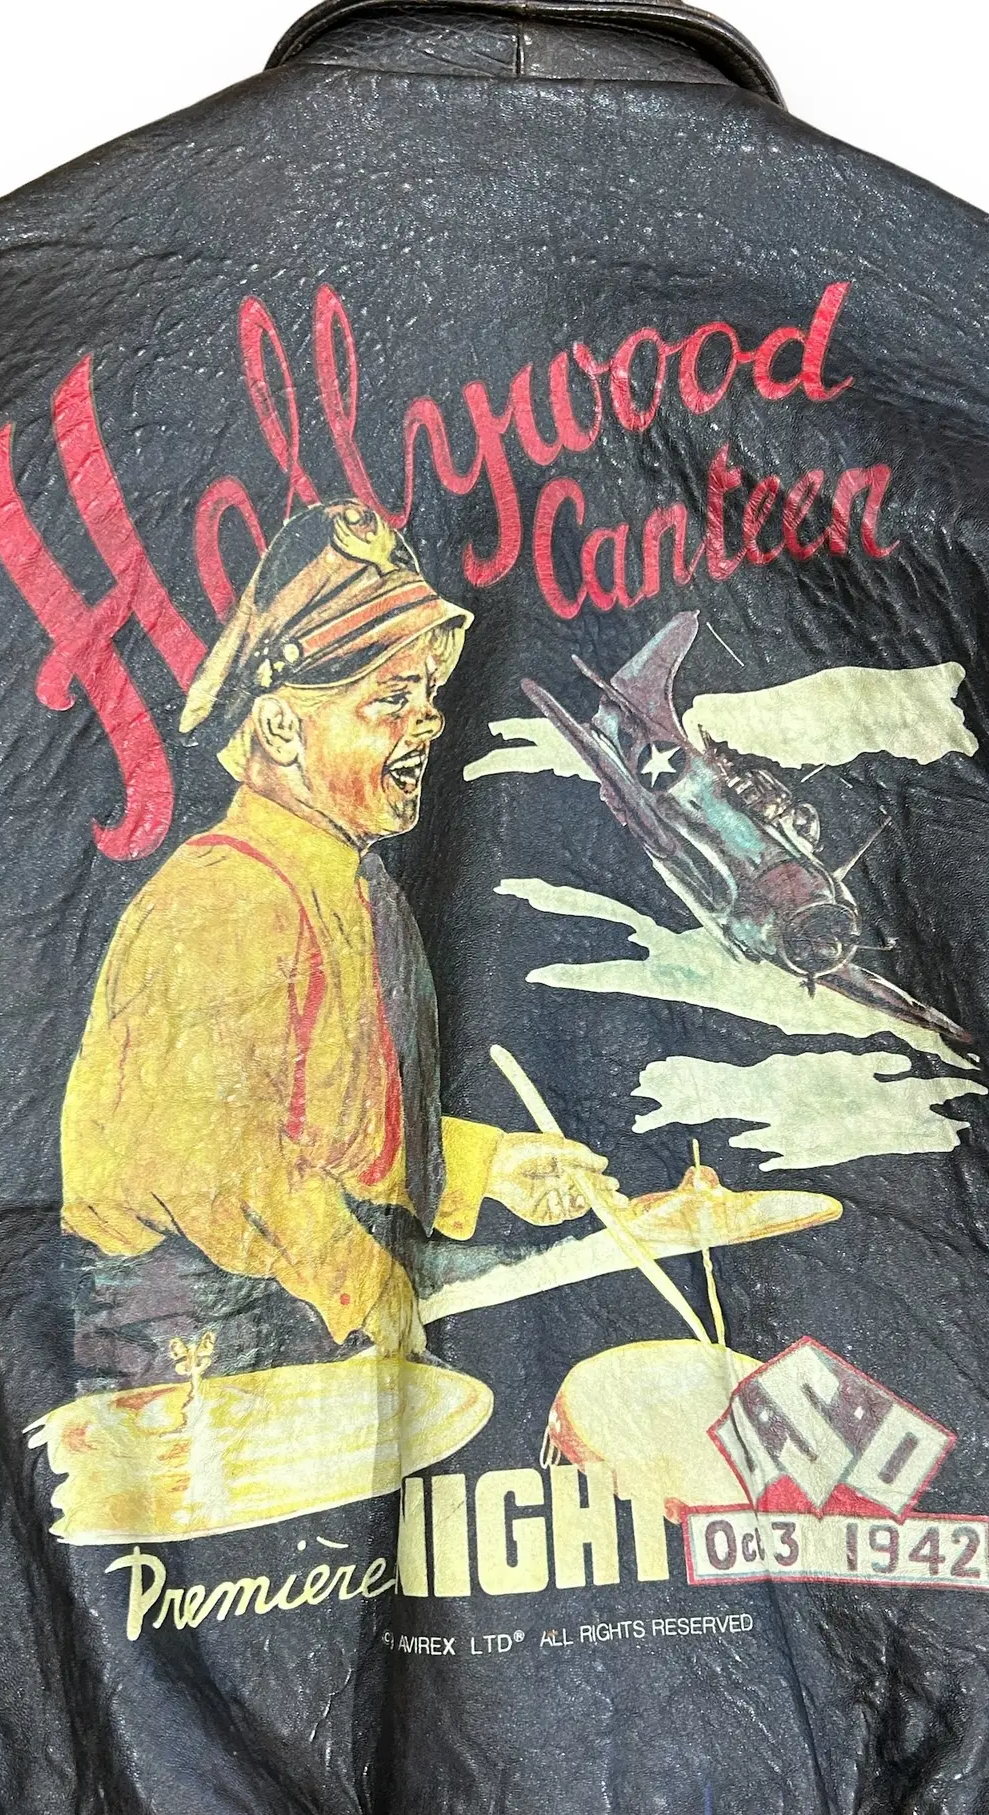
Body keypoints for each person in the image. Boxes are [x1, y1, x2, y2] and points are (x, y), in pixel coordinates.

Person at [60, 498, 610, 1383]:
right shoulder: (223, 898)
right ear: (282, 728)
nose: (428, 722)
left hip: (284, 1305)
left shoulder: (355, 889)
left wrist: (484, 1168)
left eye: (426, 696)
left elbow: (335, 1137)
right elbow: (214, 1164)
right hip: (185, 1345)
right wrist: (362, 1281)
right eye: (390, 700)